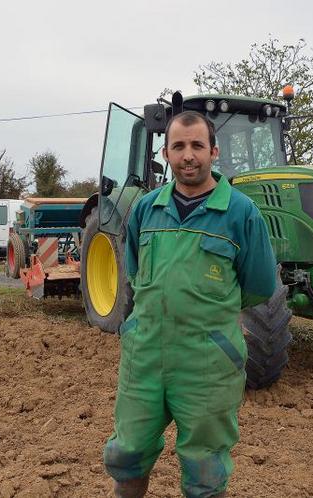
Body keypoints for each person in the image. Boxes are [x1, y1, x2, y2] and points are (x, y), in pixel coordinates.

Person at [104, 110, 278, 498]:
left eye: (197, 145)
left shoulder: (241, 212)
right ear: (165, 153)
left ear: (213, 152)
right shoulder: (146, 209)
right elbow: (135, 272)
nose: (188, 155)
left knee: (205, 465)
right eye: (178, 146)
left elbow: (259, 285)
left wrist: (207, 317)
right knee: (128, 451)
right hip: (145, 354)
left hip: (208, 362)